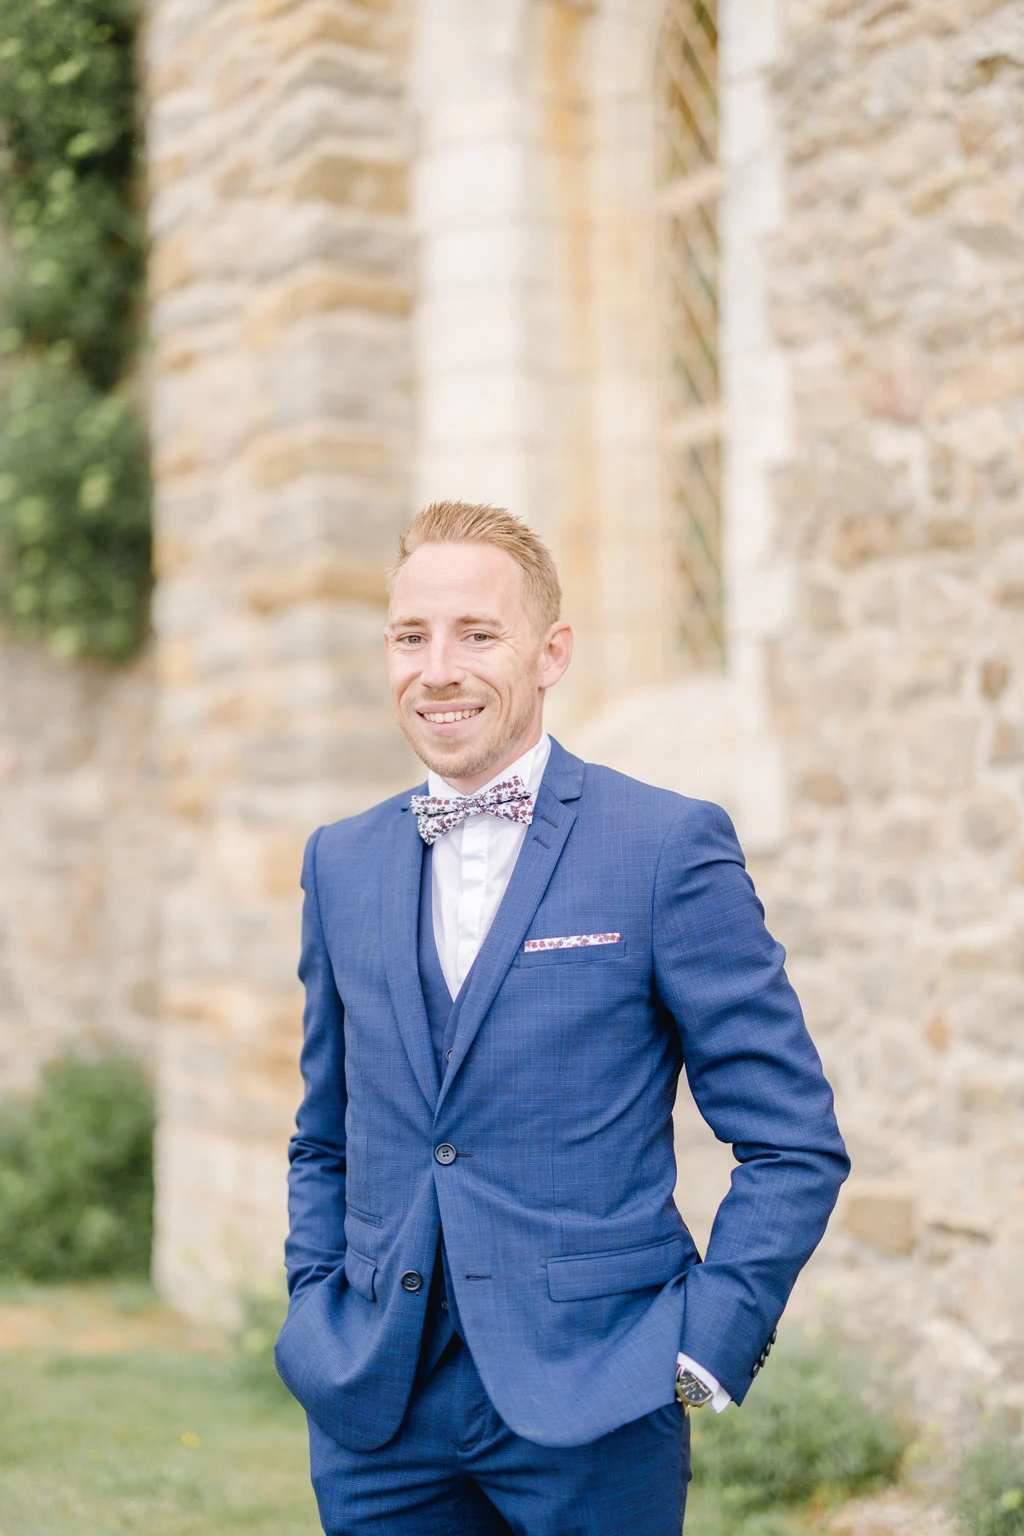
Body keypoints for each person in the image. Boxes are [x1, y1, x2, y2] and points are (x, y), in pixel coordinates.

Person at [275, 501, 849, 1536]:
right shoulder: (340, 862)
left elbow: (791, 1138)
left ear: (551, 654)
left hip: (598, 1399)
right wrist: (315, 1303)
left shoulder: (664, 848)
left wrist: (704, 1343)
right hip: (377, 1408)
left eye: (477, 635)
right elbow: (326, 1128)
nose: (438, 669)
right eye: (412, 637)